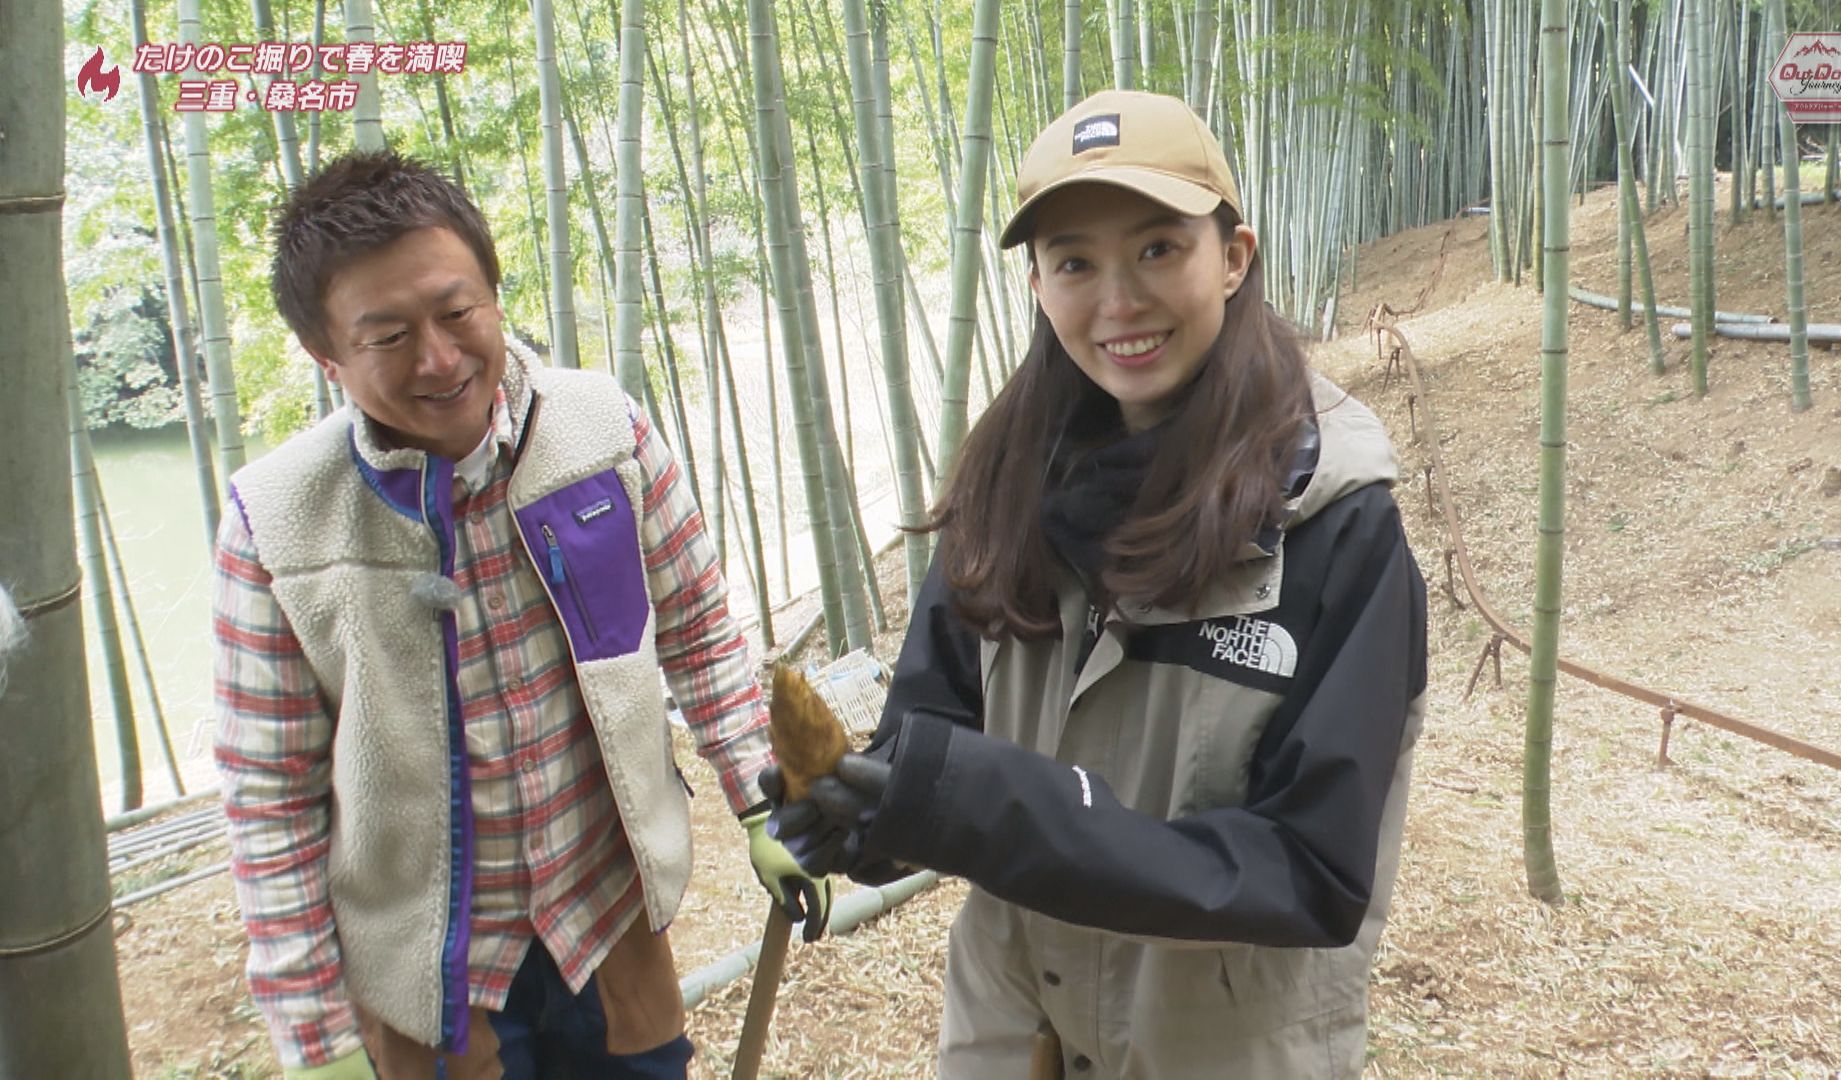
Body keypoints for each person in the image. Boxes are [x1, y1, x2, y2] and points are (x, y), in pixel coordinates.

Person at [765, 90, 1428, 1078]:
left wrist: (1000, 807)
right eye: (1075, 263)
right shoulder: (1004, 490)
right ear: (1036, 283)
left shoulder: (1334, 526)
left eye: (1158, 249)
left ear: (1234, 256)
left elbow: (1311, 873)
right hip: (1006, 1034)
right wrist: (866, 818)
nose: (1119, 302)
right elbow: (933, 736)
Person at [214, 150, 826, 1080]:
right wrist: (317, 1038)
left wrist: (765, 799)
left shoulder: (602, 430)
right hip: (430, 982)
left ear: (495, 297)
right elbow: (271, 799)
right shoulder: (278, 523)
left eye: (457, 312)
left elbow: (698, 633)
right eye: (388, 336)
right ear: (325, 355)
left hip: (606, 926)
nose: (438, 359)